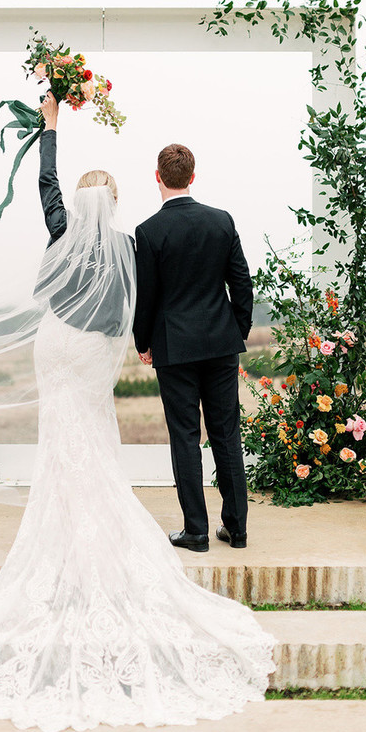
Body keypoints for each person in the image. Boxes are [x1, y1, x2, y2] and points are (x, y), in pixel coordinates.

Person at [0, 93, 275, 732]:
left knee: (91, 436)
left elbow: (48, 188)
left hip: (57, 345)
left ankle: (178, 526)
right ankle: (229, 523)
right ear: (118, 200)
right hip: (131, 349)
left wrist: (51, 123)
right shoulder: (132, 240)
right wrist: (191, 332)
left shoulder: (70, 233)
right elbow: (155, 297)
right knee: (189, 432)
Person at [133, 143, 253, 553]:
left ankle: (197, 532)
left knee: (185, 438)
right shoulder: (221, 222)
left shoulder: (148, 231)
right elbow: (242, 284)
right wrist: (235, 331)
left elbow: (146, 296)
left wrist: (143, 342)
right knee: (227, 435)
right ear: (193, 176)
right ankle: (237, 529)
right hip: (221, 345)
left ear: (158, 177)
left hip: (175, 349)